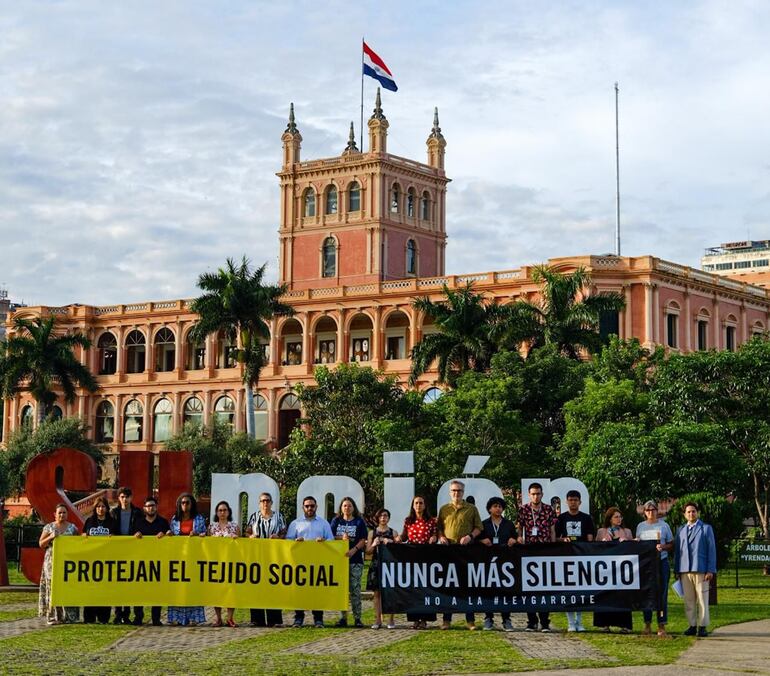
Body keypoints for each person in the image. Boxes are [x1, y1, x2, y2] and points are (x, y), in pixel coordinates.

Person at [437, 480, 483, 630]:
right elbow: (439, 528)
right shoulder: (444, 509)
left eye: (459, 491)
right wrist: (441, 536)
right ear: (450, 492)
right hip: (448, 550)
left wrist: (470, 536)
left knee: (466, 586)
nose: (456, 493)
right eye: (454, 491)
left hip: (466, 551)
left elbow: (478, 528)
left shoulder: (471, 509)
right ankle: (446, 620)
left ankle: (470, 621)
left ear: (463, 492)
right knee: (448, 585)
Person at [286, 496, 334, 628]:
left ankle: (318, 619)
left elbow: (331, 540)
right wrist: (296, 542)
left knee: (317, 591)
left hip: (317, 562)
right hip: (299, 563)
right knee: (299, 591)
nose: (310, 508)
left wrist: (324, 541)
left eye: (312, 506)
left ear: (316, 507)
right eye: (307, 506)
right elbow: (287, 541)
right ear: (303, 508)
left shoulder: (323, 523)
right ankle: (298, 618)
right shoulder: (295, 524)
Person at [517, 482, 557, 632]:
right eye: (533, 494)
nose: (536, 496)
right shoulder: (523, 510)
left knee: (544, 588)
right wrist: (519, 539)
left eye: (538, 493)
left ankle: (545, 622)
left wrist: (553, 547)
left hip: (545, 551)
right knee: (530, 588)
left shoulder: (548, 510)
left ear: (542, 494)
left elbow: (552, 530)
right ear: (529, 495)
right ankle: (531, 621)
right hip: (529, 551)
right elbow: (520, 529)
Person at [674, 501, 716, 638]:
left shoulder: (706, 528)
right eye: (688, 512)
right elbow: (677, 552)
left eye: (693, 511)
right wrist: (677, 570)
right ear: (684, 514)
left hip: (701, 569)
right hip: (685, 570)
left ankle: (703, 626)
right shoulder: (680, 530)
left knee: (703, 599)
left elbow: (711, 550)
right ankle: (692, 625)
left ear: (697, 513)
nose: (691, 514)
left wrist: (710, 570)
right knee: (689, 600)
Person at [555, 490, 594, 632]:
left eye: (575, 500)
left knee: (580, 590)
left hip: (582, 557)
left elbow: (591, 537)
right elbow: (555, 538)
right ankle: (571, 622)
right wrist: (562, 540)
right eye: (570, 500)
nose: (573, 502)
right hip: (566, 558)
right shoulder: (561, 518)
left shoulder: (586, 518)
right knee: (568, 589)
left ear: (580, 502)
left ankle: (580, 621)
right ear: (566, 502)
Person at [246, 492, 286, 627]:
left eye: (268, 501)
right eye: (263, 501)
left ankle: (274, 619)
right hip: (257, 556)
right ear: (259, 503)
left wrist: (278, 538)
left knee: (273, 587)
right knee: (256, 586)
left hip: (274, 556)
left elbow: (284, 533)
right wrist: (250, 537)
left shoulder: (279, 516)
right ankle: (257, 619)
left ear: (271, 502)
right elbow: (247, 531)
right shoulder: (254, 516)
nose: (265, 503)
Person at [167, 492, 207, 626]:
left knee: (193, 588)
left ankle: (194, 618)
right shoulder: (174, 520)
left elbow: (205, 535)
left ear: (192, 504)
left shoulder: (199, 519)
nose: (185, 505)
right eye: (182, 503)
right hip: (178, 558)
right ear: (179, 504)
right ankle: (176, 618)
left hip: (194, 558)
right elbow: (171, 536)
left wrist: (198, 535)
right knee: (177, 588)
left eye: (187, 503)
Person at [478, 496, 517, 632]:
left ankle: (506, 619)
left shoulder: (509, 524)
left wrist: (514, 539)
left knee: (504, 591)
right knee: (489, 590)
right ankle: (488, 618)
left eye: (500, 506)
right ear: (489, 509)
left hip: (505, 562)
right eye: (495, 506)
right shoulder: (483, 524)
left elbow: (516, 536)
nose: (498, 508)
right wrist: (482, 541)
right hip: (488, 562)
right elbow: (477, 539)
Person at [635, 500, 674, 637]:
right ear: (644, 513)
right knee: (646, 593)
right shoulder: (640, 526)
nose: (651, 512)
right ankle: (647, 624)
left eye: (653, 510)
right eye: (648, 510)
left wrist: (663, 547)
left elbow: (671, 543)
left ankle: (661, 624)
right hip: (646, 565)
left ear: (657, 511)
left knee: (661, 594)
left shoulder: (664, 526)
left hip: (661, 562)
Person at [38, 503, 80, 625]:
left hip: (67, 563)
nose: (62, 514)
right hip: (51, 562)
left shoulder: (73, 528)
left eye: (64, 512)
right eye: (59, 513)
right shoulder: (49, 527)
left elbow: (78, 544)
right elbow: (41, 544)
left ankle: (70, 616)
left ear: (68, 514)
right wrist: (51, 537)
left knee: (67, 586)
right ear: (55, 515)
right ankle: (54, 616)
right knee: (52, 587)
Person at [330, 497, 368, 628]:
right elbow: (330, 537)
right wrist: (341, 537)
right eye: (345, 506)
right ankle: (343, 618)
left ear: (354, 508)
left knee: (355, 590)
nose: (347, 508)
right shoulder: (336, 521)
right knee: (342, 590)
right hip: (340, 561)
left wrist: (354, 549)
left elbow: (363, 539)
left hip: (355, 560)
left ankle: (357, 618)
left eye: (349, 506)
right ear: (341, 508)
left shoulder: (359, 522)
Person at [594, 506, 634, 633]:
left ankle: (624, 625)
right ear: (610, 519)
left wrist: (628, 542)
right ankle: (604, 624)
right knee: (605, 595)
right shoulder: (601, 532)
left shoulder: (627, 531)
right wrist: (602, 543)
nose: (619, 519)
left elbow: (632, 548)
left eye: (620, 516)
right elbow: (594, 549)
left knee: (623, 596)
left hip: (622, 570)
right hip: (606, 570)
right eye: (616, 517)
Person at [400, 496, 438, 629]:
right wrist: (394, 539)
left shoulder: (431, 521)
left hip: (427, 558)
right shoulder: (408, 521)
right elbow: (403, 537)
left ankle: (425, 619)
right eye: (416, 503)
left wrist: (434, 537)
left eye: (421, 503)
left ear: (425, 505)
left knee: (426, 589)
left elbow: (435, 534)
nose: (418, 505)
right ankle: (414, 619)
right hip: (412, 558)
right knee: (413, 589)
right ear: (413, 505)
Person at [133, 495, 170, 626]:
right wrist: (135, 536)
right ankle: (138, 617)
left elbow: (171, 540)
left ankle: (156, 618)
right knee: (139, 591)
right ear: (144, 508)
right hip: (141, 561)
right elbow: (130, 541)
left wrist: (166, 535)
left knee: (157, 591)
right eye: (148, 506)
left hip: (158, 561)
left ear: (156, 507)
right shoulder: (138, 523)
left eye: (153, 506)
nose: (151, 508)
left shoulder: (163, 522)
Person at [109, 486, 144, 625]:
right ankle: (119, 614)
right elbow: (111, 528)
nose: (125, 499)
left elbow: (141, 527)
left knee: (134, 584)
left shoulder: (137, 512)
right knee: (119, 584)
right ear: (119, 498)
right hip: (118, 551)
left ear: (131, 498)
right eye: (122, 497)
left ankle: (135, 615)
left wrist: (138, 532)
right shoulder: (113, 512)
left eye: (127, 497)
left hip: (133, 551)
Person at [82, 496, 118, 624]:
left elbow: (119, 540)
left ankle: (104, 617)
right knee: (91, 589)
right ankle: (89, 617)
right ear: (95, 508)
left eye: (103, 506)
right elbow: (82, 537)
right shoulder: (89, 521)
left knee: (104, 590)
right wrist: (84, 536)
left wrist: (114, 538)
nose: (100, 509)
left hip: (106, 561)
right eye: (98, 507)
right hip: (91, 561)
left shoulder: (112, 522)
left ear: (107, 508)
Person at [367, 508, 400, 629]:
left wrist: (391, 542)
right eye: (381, 516)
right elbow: (368, 551)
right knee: (377, 593)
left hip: (390, 565)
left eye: (385, 515)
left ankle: (391, 620)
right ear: (377, 518)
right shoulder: (372, 533)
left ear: (388, 518)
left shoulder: (393, 532)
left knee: (391, 592)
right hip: (376, 564)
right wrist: (374, 544)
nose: (383, 518)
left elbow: (399, 550)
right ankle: (377, 620)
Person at [208, 500, 239, 627]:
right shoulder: (212, 527)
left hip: (230, 561)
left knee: (231, 590)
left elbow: (240, 544)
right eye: (220, 510)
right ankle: (218, 618)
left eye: (224, 510)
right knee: (217, 590)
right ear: (216, 512)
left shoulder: (234, 526)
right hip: (216, 562)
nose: (222, 513)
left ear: (228, 512)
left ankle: (230, 618)